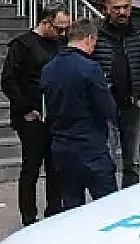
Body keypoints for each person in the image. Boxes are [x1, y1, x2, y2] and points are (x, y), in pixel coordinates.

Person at [0, 3, 69, 226]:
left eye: (65, 29)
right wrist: (26, 108)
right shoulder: (23, 45)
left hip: (54, 113)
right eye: (59, 28)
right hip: (31, 115)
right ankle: (29, 217)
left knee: (56, 166)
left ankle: (54, 211)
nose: (62, 33)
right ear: (46, 22)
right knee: (31, 167)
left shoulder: (60, 44)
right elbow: (8, 81)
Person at [40, 18, 118, 210]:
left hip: (61, 147)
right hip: (89, 146)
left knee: (72, 206)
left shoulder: (48, 69)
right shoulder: (91, 68)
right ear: (89, 38)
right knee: (109, 206)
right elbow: (107, 108)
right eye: (94, 43)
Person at [90, 0, 140, 188]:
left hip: (134, 105)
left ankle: (130, 197)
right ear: (107, 8)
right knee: (106, 159)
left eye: (126, 7)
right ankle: (109, 197)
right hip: (106, 105)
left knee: (133, 162)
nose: (122, 12)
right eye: (117, 8)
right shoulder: (96, 32)